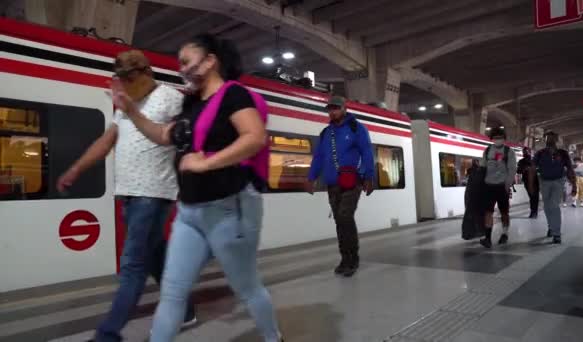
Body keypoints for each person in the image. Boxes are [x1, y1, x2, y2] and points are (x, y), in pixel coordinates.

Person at [109, 34, 283, 342]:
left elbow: (255, 137)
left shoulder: (234, 96)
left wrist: (206, 163)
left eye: (187, 62)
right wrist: (131, 111)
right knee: (173, 292)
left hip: (226, 209)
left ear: (210, 61)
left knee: (248, 287)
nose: (182, 69)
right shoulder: (191, 102)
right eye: (181, 64)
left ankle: (273, 338)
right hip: (188, 214)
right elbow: (164, 135)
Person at [57, 50, 196, 342]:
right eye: (122, 79)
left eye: (131, 79)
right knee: (156, 256)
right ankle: (185, 310)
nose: (126, 85)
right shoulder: (125, 103)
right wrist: (76, 169)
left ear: (147, 72)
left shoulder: (170, 97)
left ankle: (107, 334)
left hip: (154, 192)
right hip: (129, 194)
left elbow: (185, 137)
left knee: (133, 265)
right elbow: (107, 140)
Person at [305, 96, 375, 277]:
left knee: (345, 216)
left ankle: (353, 258)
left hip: (352, 181)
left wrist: (369, 176)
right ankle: (344, 258)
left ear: (344, 108)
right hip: (332, 183)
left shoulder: (356, 128)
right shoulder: (326, 133)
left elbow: (367, 151)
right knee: (339, 220)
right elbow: (319, 157)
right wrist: (311, 177)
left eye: (336, 108)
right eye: (330, 109)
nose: (332, 112)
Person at [530, 131, 577, 244]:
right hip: (544, 182)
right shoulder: (540, 153)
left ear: (556, 140)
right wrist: (531, 184)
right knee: (547, 206)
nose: (549, 140)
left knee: (554, 205)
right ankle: (551, 227)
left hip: (558, 182)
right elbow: (532, 169)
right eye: (547, 138)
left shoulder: (563, 153)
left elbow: (570, 169)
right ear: (545, 140)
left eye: (552, 138)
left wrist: (574, 185)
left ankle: (556, 233)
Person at [479, 127, 517, 248]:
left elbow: (512, 170)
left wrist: (507, 185)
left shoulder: (509, 152)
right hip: (489, 186)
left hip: (502, 187)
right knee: (488, 212)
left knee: (504, 212)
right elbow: (482, 168)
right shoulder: (487, 150)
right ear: (492, 139)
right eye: (495, 138)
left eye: (500, 138)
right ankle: (488, 238)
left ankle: (504, 233)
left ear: (504, 138)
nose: (497, 140)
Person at [517, 147, 539, 218]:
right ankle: (533, 211)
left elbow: (539, 169)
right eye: (524, 152)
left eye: (527, 151)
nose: (526, 153)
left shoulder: (534, 160)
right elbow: (518, 171)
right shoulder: (521, 161)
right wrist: (525, 169)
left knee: (535, 196)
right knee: (532, 196)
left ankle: (534, 212)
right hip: (527, 181)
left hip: (536, 181)